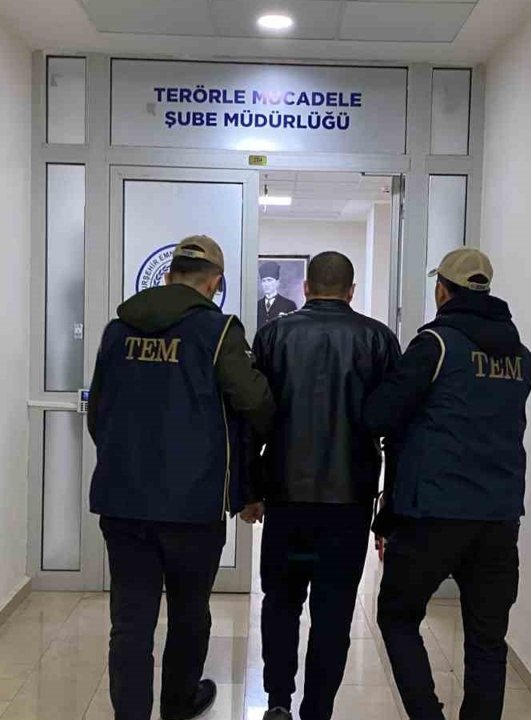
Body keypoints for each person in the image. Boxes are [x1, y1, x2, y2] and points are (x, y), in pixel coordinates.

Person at [88, 235, 275, 720]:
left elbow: (98, 411)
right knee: (189, 614)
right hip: (194, 504)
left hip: (123, 500)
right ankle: (178, 704)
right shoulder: (218, 332)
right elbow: (255, 402)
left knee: (130, 621)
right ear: (214, 283)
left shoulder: (117, 330)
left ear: (170, 275)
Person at [365, 248, 531, 720]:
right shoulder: (521, 357)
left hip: (433, 513)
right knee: (487, 638)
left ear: (442, 290)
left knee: (398, 616)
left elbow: (379, 415)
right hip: (499, 517)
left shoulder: (435, 345)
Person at [245, 251, 401, 720]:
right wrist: (389, 506)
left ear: (307, 288)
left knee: (281, 603)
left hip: (285, 495)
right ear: (351, 291)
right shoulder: (378, 339)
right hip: (349, 500)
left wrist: (251, 488)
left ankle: (277, 700)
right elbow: (395, 425)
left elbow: (254, 418)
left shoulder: (273, 336)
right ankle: (317, 710)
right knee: (333, 612)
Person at [257, 260, 299, 330]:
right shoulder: (257, 305)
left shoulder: (289, 305)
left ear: (277, 282)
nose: (266, 284)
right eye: (264, 281)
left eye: (269, 280)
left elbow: (293, 329)